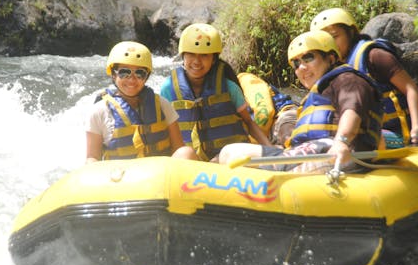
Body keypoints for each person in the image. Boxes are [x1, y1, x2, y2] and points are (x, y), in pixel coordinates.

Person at [219, 31, 383, 173]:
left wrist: (342, 141)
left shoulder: (347, 79)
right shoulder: (319, 91)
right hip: (312, 150)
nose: (301, 68)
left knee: (237, 158)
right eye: (296, 64)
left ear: (331, 58)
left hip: (334, 151)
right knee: (227, 154)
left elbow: (352, 110)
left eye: (308, 58)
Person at [310, 8, 418, 148]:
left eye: (334, 37)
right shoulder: (332, 67)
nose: (330, 44)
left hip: (396, 132)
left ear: (350, 32)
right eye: (324, 40)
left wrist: (416, 129)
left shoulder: (375, 56)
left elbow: (411, 89)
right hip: (363, 129)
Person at [159, 23, 272, 162]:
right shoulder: (168, 89)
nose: (196, 61)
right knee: (184, 154)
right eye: (191, 54)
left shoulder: (229, 87)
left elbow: (249, 123)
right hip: (191, 164)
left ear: (213, 59)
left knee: (222, 157)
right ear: (183, 56)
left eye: (204, 56)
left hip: (226, 159)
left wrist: (270, 150)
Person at [85, 41, 198, 163]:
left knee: (186, 152)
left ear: (147, 76)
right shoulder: (99, 111)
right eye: (124, 72)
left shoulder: (162, 105)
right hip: (121, 178)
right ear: (113, 74)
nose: (132, 79)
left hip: (161, 176)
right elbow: (92, 157)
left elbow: (178, 147)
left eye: (140, 73)